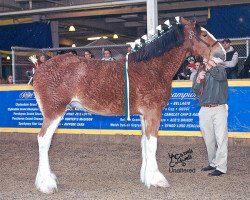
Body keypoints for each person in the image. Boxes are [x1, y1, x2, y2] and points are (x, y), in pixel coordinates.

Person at [192, 53, 228, 177]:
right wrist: (197, 80)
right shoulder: (200, 72)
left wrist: (211, 66)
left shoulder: (221, 69)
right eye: (206, 57)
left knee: (221, 138)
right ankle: (213, 163)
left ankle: (221, 167)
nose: (207, 59)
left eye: (210, 57)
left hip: (218, 108)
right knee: (208, 139)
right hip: (204, 109)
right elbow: (196, 91)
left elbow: (220, 77)